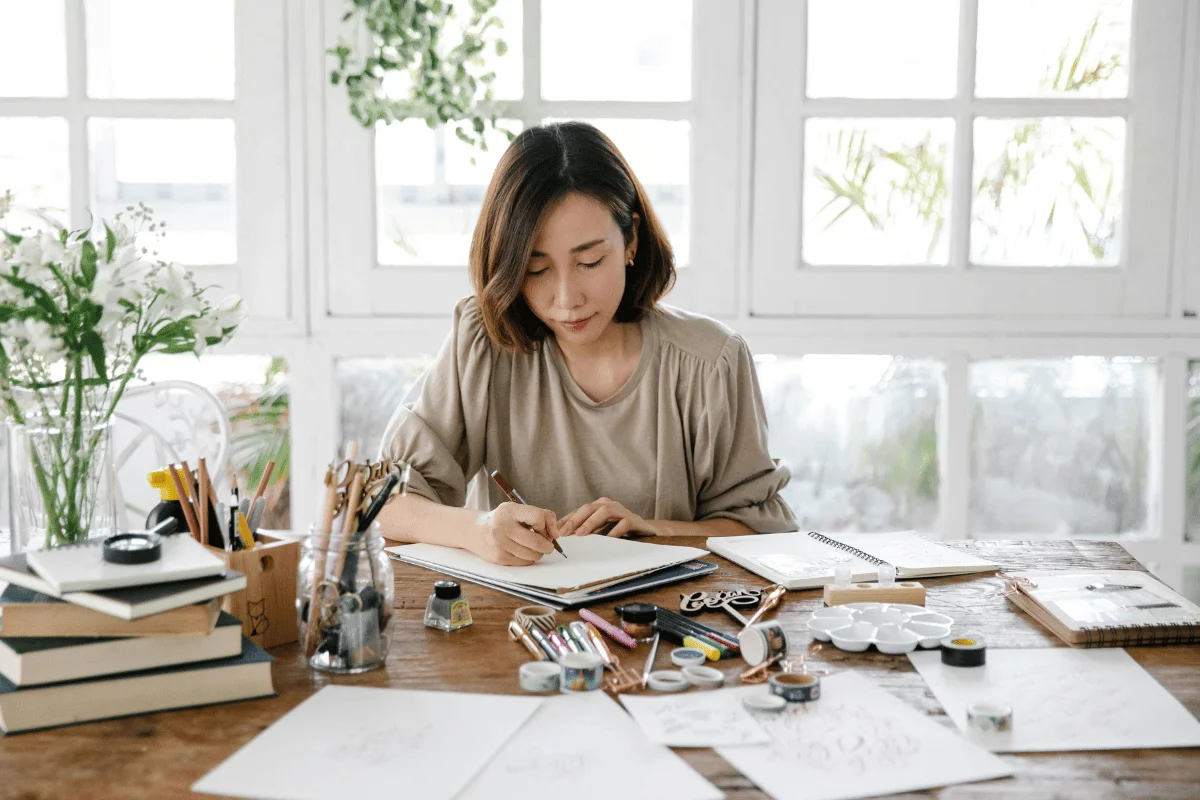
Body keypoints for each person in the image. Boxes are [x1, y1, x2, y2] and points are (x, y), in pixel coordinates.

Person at [377, 121, 797, 565]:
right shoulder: (485, 346)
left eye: (590, 261)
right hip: (516, 619)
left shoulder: (710, 361)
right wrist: (478, 529)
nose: (567, 300)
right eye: (536, 270)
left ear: (631, 239)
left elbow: (763, 532)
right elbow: (383, 504)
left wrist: (655, 531)